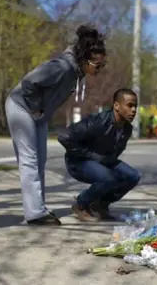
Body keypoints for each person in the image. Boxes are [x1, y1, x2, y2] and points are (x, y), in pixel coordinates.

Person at [5, 25, 107, 226]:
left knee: (39, 160)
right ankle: (35, 213)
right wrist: (35, 108)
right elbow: (29, 83)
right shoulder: (62, 67)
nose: (99, 69)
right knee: (29, 160)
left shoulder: (75, 71)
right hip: (21, 107)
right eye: (97, 65)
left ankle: (38, 207)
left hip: (37, 114)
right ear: (85, 59)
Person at [58, 88, 141, 221]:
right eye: (130, 105)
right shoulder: (98, 122)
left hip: (102, 160)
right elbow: (64, 136)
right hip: (78, 161)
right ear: (116, 106)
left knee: (133, 176)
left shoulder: (127, 128)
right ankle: (80, 204)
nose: (134, 110)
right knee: (108, 177)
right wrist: (91, 155)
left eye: (135, 106)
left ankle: (100, 205)